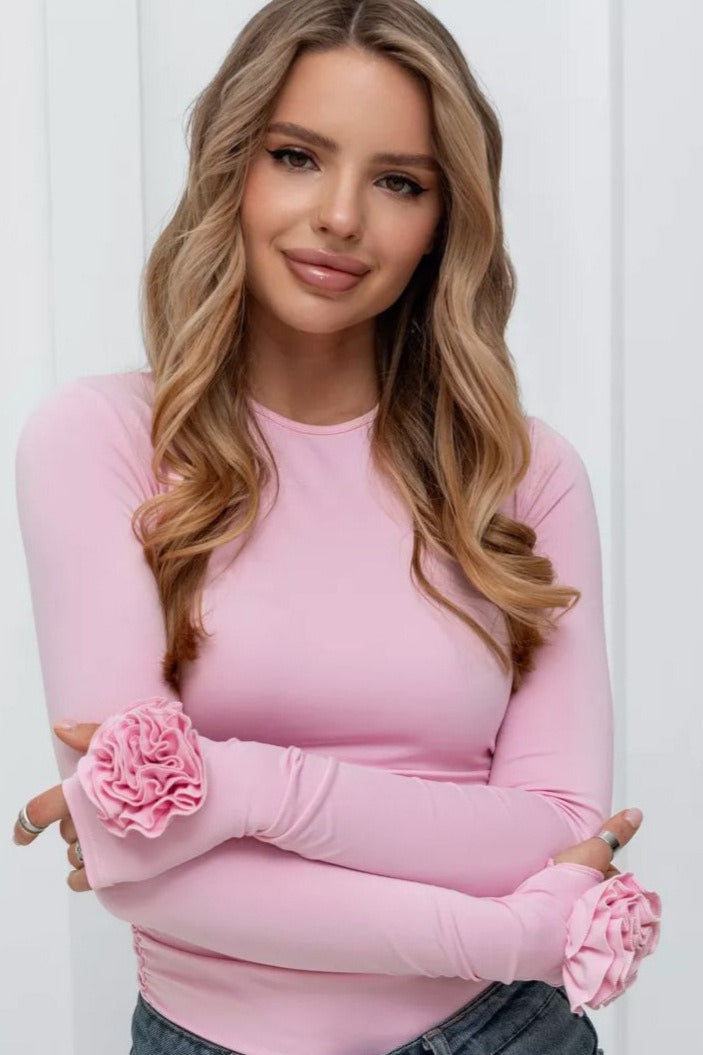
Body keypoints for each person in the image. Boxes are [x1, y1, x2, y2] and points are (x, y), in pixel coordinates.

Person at [11, 1, 659, 1053]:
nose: (341, 216)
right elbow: (145, 870)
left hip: (506, 1033)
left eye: (398, 181)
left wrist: (236, 787)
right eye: (297, 157)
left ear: (444, 220)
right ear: (232, 167)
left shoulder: (522, 475)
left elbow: (550, 825)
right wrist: (509, 932)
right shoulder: (100, 442)